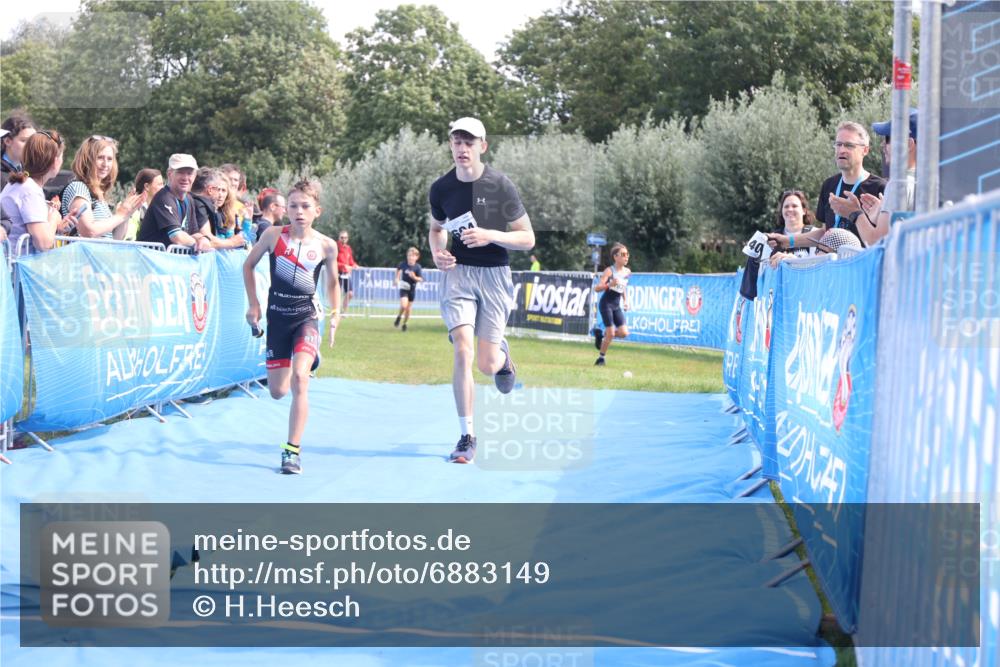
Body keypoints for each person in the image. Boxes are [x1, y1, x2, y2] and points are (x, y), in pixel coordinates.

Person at [428, 116, 534, 464]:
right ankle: (466, 437)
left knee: (487, 364)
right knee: (462, 349)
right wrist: (437, 252)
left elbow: (527, 238)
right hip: (458, 274)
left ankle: (502, 356)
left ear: (482, 147)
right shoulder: (441, 189)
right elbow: (436, 229)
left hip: (494, 274)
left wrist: (491, 235)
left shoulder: (501, 185)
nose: (462, 149)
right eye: (457, 142)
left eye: (469, 142)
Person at [242, 180, 340, 475]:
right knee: (277, 391)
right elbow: (247, 266)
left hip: (307, 318)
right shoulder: (273, 236)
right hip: (278, 320)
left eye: (305, 206)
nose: (298, 212)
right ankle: (308, 357)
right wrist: (254, 305)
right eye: (293, 206)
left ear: (317, 211)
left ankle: (291, 451)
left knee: (300, 378)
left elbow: (333, 283)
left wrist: (336, 313)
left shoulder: (326, 245)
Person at [768, 122, 885, 252]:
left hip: (861, 269)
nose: (841, 150)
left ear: (865, 150)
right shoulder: (829, 185)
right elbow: (826, 232)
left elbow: (882, 241)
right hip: (830, 268)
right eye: (838, 144)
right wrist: (788, 241)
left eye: (849, 145)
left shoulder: (879, 188)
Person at [0, 130, 81, 253]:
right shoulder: (29, 190)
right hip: (15, 269)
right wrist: (54, 218)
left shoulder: (20, 184)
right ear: (55, 161)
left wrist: (57, 228)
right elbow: (43, 243)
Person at [854, 110, 919, 247]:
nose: (883, 145)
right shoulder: (929, 183)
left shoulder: (898, 184)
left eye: (888, 138)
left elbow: (877, 242)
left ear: (909, 144)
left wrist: (854, 213)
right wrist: (880, 218)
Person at [60, 135, 143, 239]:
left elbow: (114, 239)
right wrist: (120, 215)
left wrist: (126, 213)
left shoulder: (100, 195)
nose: (105, 164)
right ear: (87, 159)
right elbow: (89, 231)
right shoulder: (78, 188)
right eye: (100, 158)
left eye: (109, 159)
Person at [137, 154, 214, 252]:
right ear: (169, 174)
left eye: (189, 173)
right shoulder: (164, 197)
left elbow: (193, 232)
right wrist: (199, 245)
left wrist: (204, 239)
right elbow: (177, 237)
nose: (185, 178)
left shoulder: (189, 199)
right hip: (149, 261)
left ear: (194, 176)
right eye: (180, 172)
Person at [593, 243, 631, 366]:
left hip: (616, 305)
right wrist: (609, 284)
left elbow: (623, 287)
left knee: (624, 333)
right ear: (615, 257)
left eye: (627, 255)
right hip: (606, 304)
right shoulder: (609, 271)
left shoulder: (627, 272)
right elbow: (597, 288)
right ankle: (601, 359)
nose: (626, 257)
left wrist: (625, 300)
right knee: (611, 333)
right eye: (623, 255)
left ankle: (601, 335)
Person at [189, 167, 246, 249]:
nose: (220, 194)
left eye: (223, 190)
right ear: (210, 190)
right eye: (218, 189)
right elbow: (208, 239)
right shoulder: (199, 204)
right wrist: (232, 243)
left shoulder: (218, 210)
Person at [125, 168, 163, 241]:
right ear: (147, 186)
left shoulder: (158, 209)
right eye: (160, 184)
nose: (163, 188)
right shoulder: (134, 209)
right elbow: (129, 238)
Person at [394, 246, 423, 331]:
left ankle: (404, 323)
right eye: (409, 255)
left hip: (412, 289)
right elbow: (398, 269)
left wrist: (414, 277)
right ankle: (399, 316)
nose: (410, 257)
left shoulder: (417, 267)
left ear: (416, 257)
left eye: (412, 256)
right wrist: (396, 278)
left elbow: (421, 279)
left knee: (408, 309)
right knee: (403, 305)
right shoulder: (403, 264)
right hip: (404, 288)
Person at [336, 230, 358, 312]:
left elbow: (351, 261)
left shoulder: (348, 248)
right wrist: (343, 265)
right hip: (337, 273)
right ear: (339, 238)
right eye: (342, 237)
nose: (343, 239)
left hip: (346, 274)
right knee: (336, 294)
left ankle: (343, 311)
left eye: (345, 237)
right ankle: (335, 311)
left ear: (347, 238)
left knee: (350, 293)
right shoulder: (335, 247)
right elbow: (333, 262)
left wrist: (355, 265)